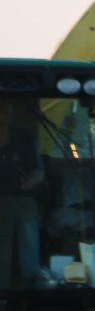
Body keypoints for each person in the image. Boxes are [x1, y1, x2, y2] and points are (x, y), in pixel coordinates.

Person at [0, 98, 45, 287]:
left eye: (7, 111)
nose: (3, 116)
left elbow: (39, 171)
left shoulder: (24, 139)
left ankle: (31, 281)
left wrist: (28, 184)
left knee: (27, 226)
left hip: (21, 198)